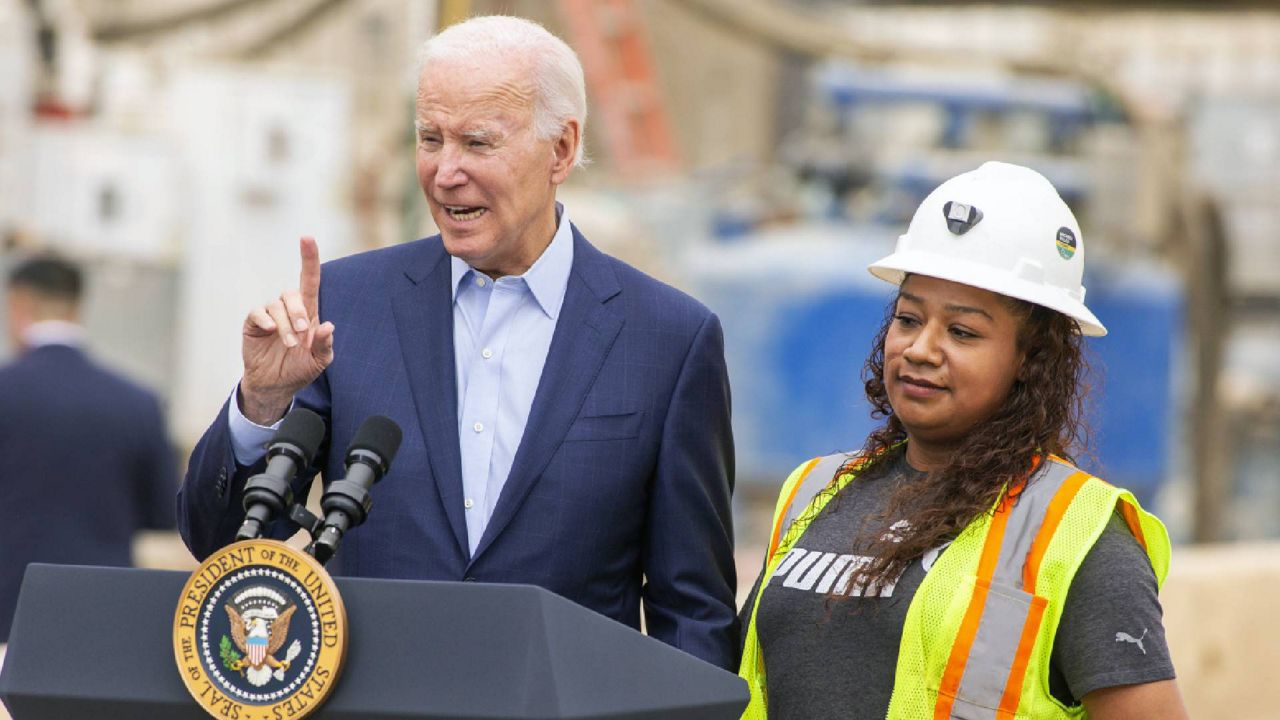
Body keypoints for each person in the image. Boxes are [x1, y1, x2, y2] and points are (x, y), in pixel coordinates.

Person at [177, 15, 738, 669]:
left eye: (477, 142)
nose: (445, 172)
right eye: (429, 138)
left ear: (561, 149)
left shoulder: (667, 339)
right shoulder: (347, 307)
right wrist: (261, 404)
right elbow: (223, 550)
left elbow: (694, 616)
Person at [737, 162, 1188, 718]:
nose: (921, 348)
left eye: (962, 331)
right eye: (907, 319)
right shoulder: (812, 491)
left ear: (1031, 359)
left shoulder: (1074, 533)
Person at [0, 255, 177, 645]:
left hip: (8, 607)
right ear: (77, 306)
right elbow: (164, 514)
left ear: (18, 305)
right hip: (100, 610)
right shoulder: (137, 401)